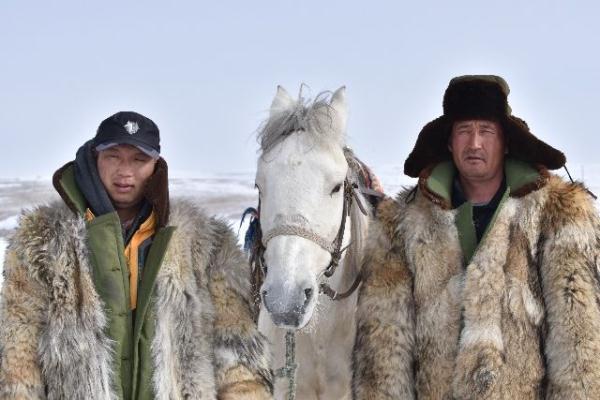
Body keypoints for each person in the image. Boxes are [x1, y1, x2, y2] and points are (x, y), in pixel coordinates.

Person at [352, 75, 600, 399]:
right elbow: (382, 355)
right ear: (449, 142)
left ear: (506, 140)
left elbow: (579, 345)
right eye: (464, 131)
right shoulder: (400, 226)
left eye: (486, 131)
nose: (475, 144)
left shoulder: (556, 216)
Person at [0, 111, 272, 399]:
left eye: (139, 160)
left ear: (156, 165)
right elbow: (18, 351)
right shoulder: (43, 239)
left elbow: (237, 350)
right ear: (95, 158)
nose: (125, 172)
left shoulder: (206, 241)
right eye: (113, 156)